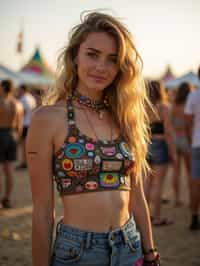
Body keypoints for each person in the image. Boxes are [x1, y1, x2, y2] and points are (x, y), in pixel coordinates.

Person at [26, 11, 160, 266]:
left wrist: (150, 252)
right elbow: (43, 210)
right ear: (75, 56)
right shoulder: (47, 119)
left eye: (112, 59)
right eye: (92, 54)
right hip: (78, 252)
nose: (101, 67)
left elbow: (137, 196)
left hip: (130, 247)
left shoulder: (125, 116)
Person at [145, 80, 177, 226]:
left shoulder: (143, 106)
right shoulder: (164, 107)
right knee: (158, 184)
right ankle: (157, 217)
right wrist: (173, 152)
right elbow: (168, 132)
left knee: (146, 183)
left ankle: (145, 217)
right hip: (160, 144)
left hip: (146, 145)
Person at [0, 79, 23, 208]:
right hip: (12, 135)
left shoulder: (1, 102)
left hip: (1, 133)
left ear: (3, 88)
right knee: (8, 169)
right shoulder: (17, 104)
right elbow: (19, 127)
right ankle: (7, 198)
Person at [171, 82, 192, 207]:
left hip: (175, 138)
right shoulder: (188, 105)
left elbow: (171, 123)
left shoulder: (174, 105)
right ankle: (191, 200)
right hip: (186, 138)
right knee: (190, 172)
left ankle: (177, 199)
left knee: (176, 172)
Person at [184, 67, 200, 231]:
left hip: (196, 142)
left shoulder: (194, 94)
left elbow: (187, 119)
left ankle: (194, 217)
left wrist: (190, 138)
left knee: (195, 182)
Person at [16, 84, 36, 169]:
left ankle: (24, 162)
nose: (18, 91)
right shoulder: (31, 97)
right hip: (31, 123)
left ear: (23, 89)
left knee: (23, 145)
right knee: (29, 144)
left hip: (24, 124)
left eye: (19, 90)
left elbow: (22, 112)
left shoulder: (23, 98)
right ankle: (28, 162)